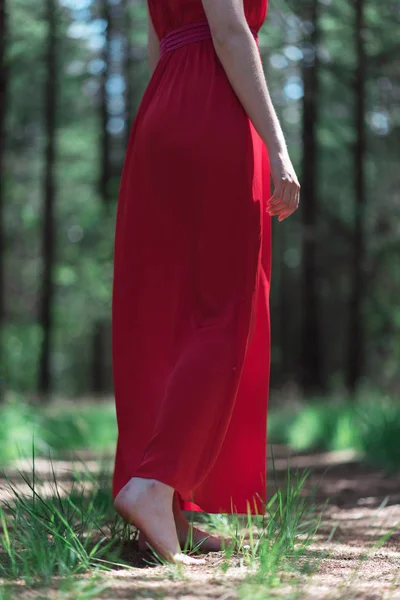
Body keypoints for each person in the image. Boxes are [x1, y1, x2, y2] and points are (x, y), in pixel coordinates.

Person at [111, 0, 300, 565]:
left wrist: (171, 110)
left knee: (163, 314)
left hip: (162, 108)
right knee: (224, 311)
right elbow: (229, 30)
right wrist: (279, 147)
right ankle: (155, 485)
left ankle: (169, 510)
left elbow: (155, 44)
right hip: (214, 108)